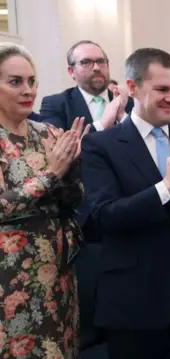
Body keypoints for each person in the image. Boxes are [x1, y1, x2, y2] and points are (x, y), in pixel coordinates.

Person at [81, 48, 170, 359]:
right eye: (162, 89)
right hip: (133, 301)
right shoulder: (101, 145)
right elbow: (103, 217)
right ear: (132, 88)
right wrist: (166, 186)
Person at [0, 43, 89, 359]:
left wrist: (70, 170)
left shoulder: (46, 132)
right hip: (10, 279)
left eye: (32, 81)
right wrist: (52, 174)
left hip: (58, 272)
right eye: (15, 82)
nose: (28, 90)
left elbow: (73, 200)